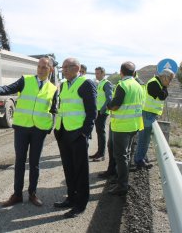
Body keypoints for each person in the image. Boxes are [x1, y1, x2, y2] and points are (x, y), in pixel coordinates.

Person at [0, 57, 58, 207]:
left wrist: (48, 128)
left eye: (44, 67)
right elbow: (8, 89)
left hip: (39, 130)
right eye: (39, 66)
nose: (40, 69)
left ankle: (32, 193)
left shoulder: (53, 89)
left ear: (50, 69)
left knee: (34, 163)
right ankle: (17, 194)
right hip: (22, 128)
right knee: (20, 161)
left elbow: (54, 110)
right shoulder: (26, 80)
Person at [53, 58, 97, 218]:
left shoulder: (86, 83)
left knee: (80, 170)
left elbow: (92, 111)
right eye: (62, 67)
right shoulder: (64, 84)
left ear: (76, 68)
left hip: (78, 134)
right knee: (68, 168)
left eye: (66, 67)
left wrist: (85, 133)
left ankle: (80, 205)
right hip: (63, 132)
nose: (63, 70)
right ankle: (71, 198)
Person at [107, 61, 144, 196]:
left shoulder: (122, 85)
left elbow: (115, 105)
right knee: (126, 154)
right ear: (134, 73)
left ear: (121, 72)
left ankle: (122, 185)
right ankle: (122, 180)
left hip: (122, 126)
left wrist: (108, 105)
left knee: (121, 156)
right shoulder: (139, 86)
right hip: (134, 124)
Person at [134, 69, 175, 168]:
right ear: (164, 77)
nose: (170, 82)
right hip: (147, 113)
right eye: (169, 79)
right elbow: (162, 96)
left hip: (150, 114)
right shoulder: (154, 83)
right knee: (144, 139)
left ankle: (140, 158)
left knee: (145, 139)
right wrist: (165, 87)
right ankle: (139, 160)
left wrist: (164, 88)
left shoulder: (158, 83)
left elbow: (164, 94)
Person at [89, 67, 113, 161]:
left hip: (102, 112)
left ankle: (101, 154)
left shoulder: (107, 83)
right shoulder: (100, 83)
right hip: (98, 111)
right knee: (98, 132)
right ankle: (99, 152)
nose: (96, 75)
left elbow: (109, 98)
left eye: (98, 73)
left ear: (103, 74)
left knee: (101, 132)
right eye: (95, 73)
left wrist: (102, 110)